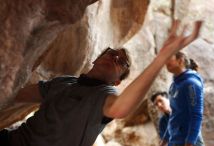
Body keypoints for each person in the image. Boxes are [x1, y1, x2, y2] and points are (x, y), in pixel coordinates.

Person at [0, 20, 202, 146]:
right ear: (96, 59)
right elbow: (13, 93)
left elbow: (121, 108)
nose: (114, 58)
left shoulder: (104, 96)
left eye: (120, 62)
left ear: (117, 81)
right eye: (111, 54)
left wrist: (161, 58)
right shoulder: (62, 82)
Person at [165, 51, 205, 146]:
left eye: (169, 58)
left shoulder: (191, 83)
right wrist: (165, 139)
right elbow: (173, 114)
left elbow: (197, 115)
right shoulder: (174, 85)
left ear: (180, 60)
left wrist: (190, 142)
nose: (165, 62)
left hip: (189, 141)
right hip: (175, 140)